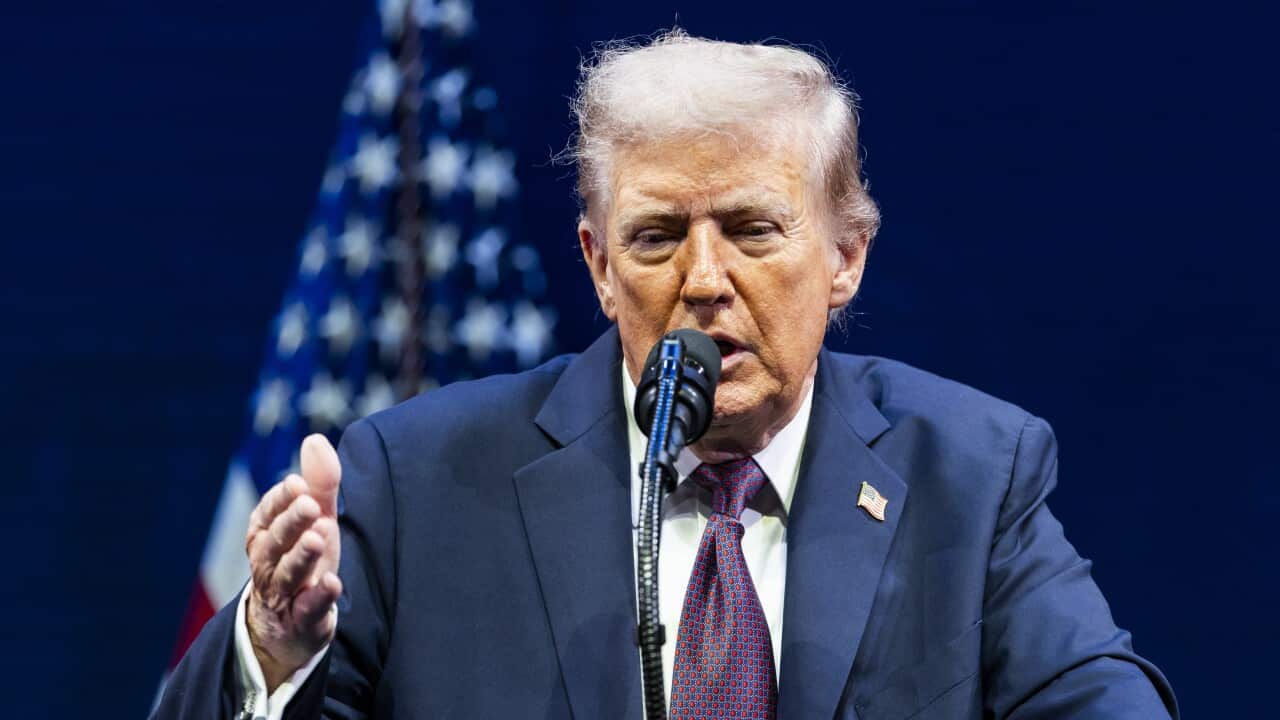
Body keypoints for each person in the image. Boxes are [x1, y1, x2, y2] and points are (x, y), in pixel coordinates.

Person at [154, 31, 1178, 720]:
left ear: (844, 257)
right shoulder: (420, 482)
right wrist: (271, 652)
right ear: (598, 267)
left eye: (749, 229)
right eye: (653, 238)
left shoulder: (971, 474)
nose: (702, 280)